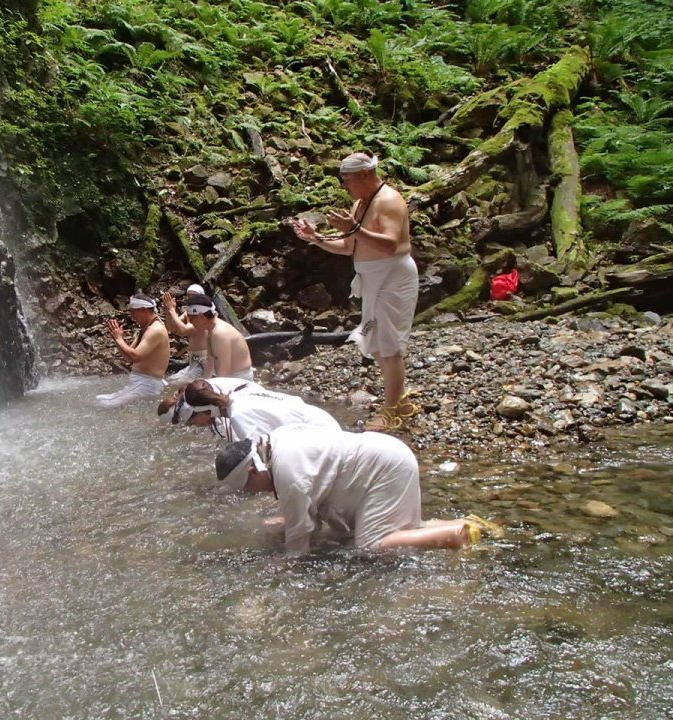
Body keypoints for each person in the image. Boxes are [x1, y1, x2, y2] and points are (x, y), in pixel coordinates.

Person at [215, 424, 501, 553]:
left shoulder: (289, 474)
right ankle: (468, 525)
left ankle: (457, 534)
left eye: (248, 487)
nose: (252, 493)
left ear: (253, 470)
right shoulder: (275, 441)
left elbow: (300, 540)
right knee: (397, 531)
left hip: (386, 470)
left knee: (372, 546)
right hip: (383, 456)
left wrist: (283, 573)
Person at [291, 152, 419, 431]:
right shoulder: (360, 204)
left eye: (347, 180)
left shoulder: (389, 201)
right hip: (371, 277)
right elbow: (349, 246)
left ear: (364, 174)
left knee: (389, 345)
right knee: (378, 342)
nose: (345, 186)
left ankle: (390, 412)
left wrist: (355, 228)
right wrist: (316, 238)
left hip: (393, 277)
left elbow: (389, 244)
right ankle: (400, 401)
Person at [159, 378, 340, 441]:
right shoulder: (235, 399)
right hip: (321, 419)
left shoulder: (238, 416)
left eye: (193, 422)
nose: (197, 426)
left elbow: (264, 461)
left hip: (322, 434)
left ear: (204, 412)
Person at [96, 293, 170, 408]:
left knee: (104, 405)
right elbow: (129, 356)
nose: (131, 316)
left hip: (146, 384)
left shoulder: (155, 330)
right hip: (141, 383)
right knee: (99, 399)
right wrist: (117, 339)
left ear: (144, 310)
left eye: (133, 311)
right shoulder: (147, 328)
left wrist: (119, 338)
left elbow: (136, 356)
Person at [185, 293, 254, 380]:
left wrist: (212, 389)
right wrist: (205, 381)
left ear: (201, 317)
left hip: (239, 378)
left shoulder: (219, 334)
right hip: (227, 376)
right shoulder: (210, 330)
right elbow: (210, 362)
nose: (191, 323)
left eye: (191, 319)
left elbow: (224, 371)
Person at [162, 283, 209, 386]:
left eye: (194, 295)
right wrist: (168, 311)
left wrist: (172, 310)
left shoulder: (204, 313)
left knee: (176, 384)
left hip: (204, 361)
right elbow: (171, 328)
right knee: (168, 381)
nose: (191, 298)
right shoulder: (189, 312)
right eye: (189, 296)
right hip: (193, 360)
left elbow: (184, 330)